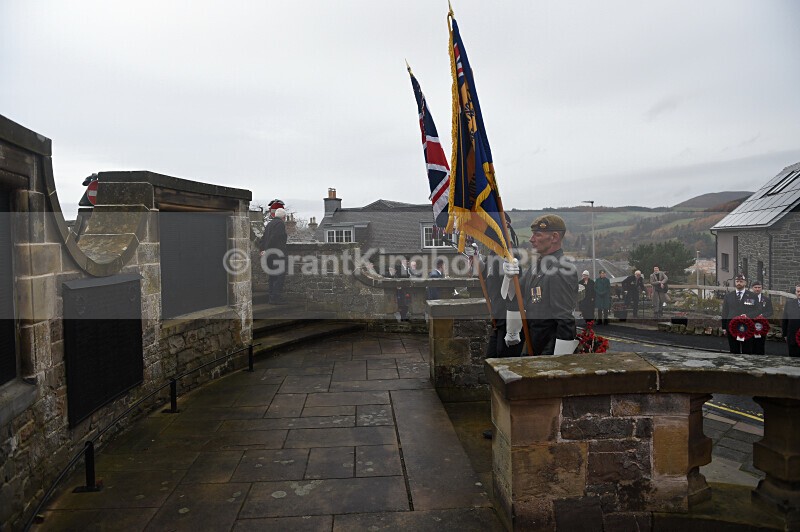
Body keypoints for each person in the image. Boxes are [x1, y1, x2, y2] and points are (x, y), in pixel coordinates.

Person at [503, 214, 578, 356]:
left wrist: (557, 361)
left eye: (537, 235)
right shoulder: (535, 266)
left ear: (554, 237)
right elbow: (515, 296)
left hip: (548, 350)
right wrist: (508, 277)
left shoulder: (561, 269)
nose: (531, 240)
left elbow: (565, 321)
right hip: (533, 344)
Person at [721, 274, 759, 354]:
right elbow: (725, 312)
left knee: (747, 350)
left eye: (741, 281)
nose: (739, 283)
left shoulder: (752, 296)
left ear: (745, 283)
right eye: (737, 281)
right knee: (734, 350)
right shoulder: (728, 296)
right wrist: (724, 327)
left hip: (747, 327)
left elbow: (758, 310)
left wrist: (748, 316)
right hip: (731, 326)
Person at [259, 207, 288, 304]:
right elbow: (274, 237)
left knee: (272, 276)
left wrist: (262, 249)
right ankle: (275, 298)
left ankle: (271, 297)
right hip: (276, 254)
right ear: (283, 217)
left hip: (269, 256)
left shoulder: (269, 224)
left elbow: (263, 238)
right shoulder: (280, 224)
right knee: (279, 276)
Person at [750, 280, 773, 355]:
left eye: (759, 287)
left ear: (761, 288)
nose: (757, 289)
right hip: (749, 325)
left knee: (760, 344)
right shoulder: (747, 299)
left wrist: (763, 315)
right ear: (752, 288)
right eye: (755, 287)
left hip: (761, 326)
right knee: (750, 344)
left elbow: (770, 312)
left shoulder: (766, 300)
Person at [781, 284, 800, 357]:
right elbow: (785, 320)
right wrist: (785, 334)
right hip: (792, 337)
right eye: (798, 291)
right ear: (795, 292)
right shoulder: (789, 304)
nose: (799, 293)